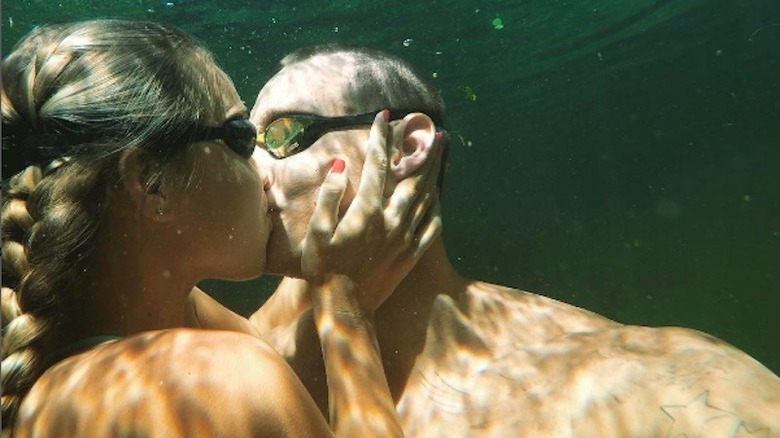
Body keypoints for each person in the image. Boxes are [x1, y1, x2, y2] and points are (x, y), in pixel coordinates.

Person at [188, 44, 780, 436]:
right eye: (248, 144)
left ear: (406, 147)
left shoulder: (645, 384)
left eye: (285, 134)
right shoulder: (207, 351)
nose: (251, 170)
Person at [1, 22, 443, 437]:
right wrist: (347, 313)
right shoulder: (221, 381)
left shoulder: (75, 336)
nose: (264, 171)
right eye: (240, 136)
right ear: (153, 183)